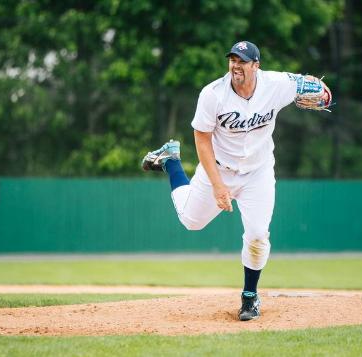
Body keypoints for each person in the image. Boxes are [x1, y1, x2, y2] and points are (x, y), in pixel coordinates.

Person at [142, 41, 331, 321]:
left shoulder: (276, 84)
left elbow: (309, 87)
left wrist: (323, 93)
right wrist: (218, 186)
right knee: (191, 222)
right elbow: (202, 138)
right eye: (232, 60)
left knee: (257, 235)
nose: (235, 66)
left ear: (256, 65)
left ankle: (250, 296)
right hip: (218, 169)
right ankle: (171, 161)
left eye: (242, 61)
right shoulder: (213, 94)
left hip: (259, 172)